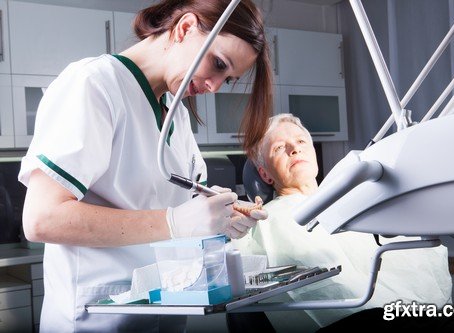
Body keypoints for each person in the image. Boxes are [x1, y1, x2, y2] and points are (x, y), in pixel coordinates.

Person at [18, 1, 272, 332]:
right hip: (95, 319)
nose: (214, 86)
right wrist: (174, 222)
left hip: (162, 316)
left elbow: (185, 209)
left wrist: (217, 217)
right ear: (184, 28)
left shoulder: (177, 114)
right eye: (218, 64)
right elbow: (41, 219)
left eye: (228, 77)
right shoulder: (94, 84)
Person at [233, 113, 453, 330]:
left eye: (301, 141)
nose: (294, 149)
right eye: (279, 148)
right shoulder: (268, 218)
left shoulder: (353, 201)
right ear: (265, 175)